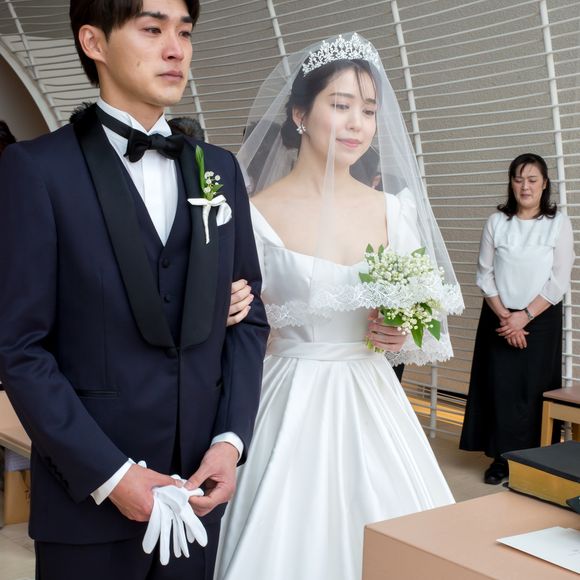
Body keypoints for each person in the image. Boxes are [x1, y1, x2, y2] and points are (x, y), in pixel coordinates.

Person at [0, 1, 269, 579]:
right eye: (152, 29)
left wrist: (229, 442)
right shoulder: (36, 169)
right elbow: (19, 347)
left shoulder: (219, 170)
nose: (176, 49)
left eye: (185, 32)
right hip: (88, 501)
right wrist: (112, 475)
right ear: (94, 42)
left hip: (198, 491)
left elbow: (249, 320)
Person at [214, 33, 464, 580]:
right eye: (342, 105)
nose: (357, 124)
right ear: (300, 113)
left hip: (372, 397)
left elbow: (424, 319)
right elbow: (238, 329)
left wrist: (401, 331)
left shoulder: (394, 211)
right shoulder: (253, 214)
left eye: (369, 111)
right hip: (286, 400)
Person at [460, 153, 574, 485]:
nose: (525, 186)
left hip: (541, 318)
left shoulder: (558, 223)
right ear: (511, 184)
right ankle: (501, 459)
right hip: (499, 316)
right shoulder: (497, 222)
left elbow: (559, 280)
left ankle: (533, 461)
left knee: (533, 391)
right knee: (500, 388)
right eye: (518, 179)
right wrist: (506, 318)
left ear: (544, 184)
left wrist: (523, 317)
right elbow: (484, 274)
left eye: (532, 180)